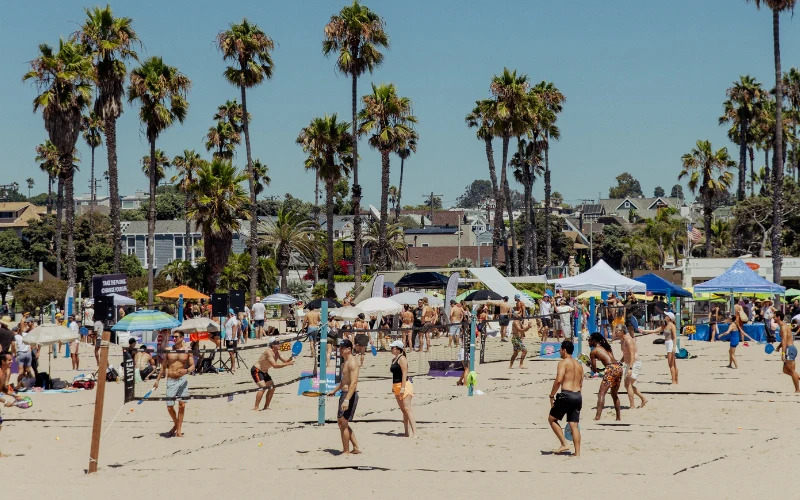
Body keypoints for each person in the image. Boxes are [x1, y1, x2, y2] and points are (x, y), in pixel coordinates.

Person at [153, 332, 194, 438]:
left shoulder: (187, 350)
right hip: (171, 380)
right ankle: (176, 424)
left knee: (182, 405)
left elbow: (192, 366)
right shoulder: (168, 350)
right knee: (170, 406)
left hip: (182, 380)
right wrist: (157, 380)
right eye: (173, 337)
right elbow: (163, 366)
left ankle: (179, 431)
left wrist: (186, 370)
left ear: (182, 337)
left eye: (176, 337)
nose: (174, 338)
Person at [548, 340, 583, 456]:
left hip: (566, 394)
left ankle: (564, 444)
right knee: (574, 425)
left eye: (560, 350)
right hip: (577, 395)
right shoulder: (579, 365)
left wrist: (552, 395)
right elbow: (581, 383)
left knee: (552, 419)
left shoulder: (563, 363)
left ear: (564, 350)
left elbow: (558, 380)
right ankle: (577, 452)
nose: (559, 352)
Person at [327, 339, 361, 455]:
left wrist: (347, 400)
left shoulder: (352, 362)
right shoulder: (344, 363)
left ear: (349, 349)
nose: (339, 350)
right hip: (344, 394)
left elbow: (353, 383)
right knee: (341, 422)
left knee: (343, 423)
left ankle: (346, 451)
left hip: (349, 395)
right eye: (339, 348)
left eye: (342, 348)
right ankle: (355, 447)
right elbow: (343, 382)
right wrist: (334, 390)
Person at [251, 339, 295, 410]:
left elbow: (285, 361)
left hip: (264, 371)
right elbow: (275, 366)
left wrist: (292, 357)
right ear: (272, 345)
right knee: (263, 387)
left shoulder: (278, 352)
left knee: (272, 388)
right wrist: (288, 364)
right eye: (277, 343)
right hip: (257, 370)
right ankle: (256, 407)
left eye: (279, 342)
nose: (279, 344)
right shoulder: (268, 352)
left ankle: (266, 406)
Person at [588, 332, 622, 421]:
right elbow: (610, 363)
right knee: (614, 394)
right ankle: (618, 417)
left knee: (601, 393)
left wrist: (591, 367)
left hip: (610, 369)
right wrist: (600, 370)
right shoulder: (607, 348)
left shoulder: (594, 351)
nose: (588, 341)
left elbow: (594, 370)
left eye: (589, 339)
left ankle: (597, 417)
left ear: (594, 340)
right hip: (618, 367)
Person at [640, 311, 679, 384]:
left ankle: (674, 381)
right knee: (673, 364)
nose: (665, 316)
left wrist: (674, 347)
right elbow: (655, 330)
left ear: (669, 318)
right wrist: (644, 331)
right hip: (667, 344)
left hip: (671, 344)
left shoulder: (672, 325)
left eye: (666, 315)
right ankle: (675, 380)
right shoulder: (664, 326)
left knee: (671, 364)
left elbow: (674, 337)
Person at [389, 340, 416, 437]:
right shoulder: (394, 359)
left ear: (398, 349)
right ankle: (406, 432)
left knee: (407, 409)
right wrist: (394, 387)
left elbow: (405, 373)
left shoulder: (402, 358)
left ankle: (415, 433)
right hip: (396, 385)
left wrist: (403, 388)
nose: (391, 349)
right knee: (403, 410)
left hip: (404, 385)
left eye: (393, 347)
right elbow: (395, 375)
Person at [618, 325, 647, 408]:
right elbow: (625, 354)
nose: (615, 332)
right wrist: (620, 362)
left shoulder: (628, 340)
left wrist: (630, 368)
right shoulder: (622, 340)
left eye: (617, 331)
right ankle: (643, 398)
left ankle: (632, 405)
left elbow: (632, 354)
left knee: (628, 384)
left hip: (634, 363)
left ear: (622, 331)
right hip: (629, 364)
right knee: (627, 385)